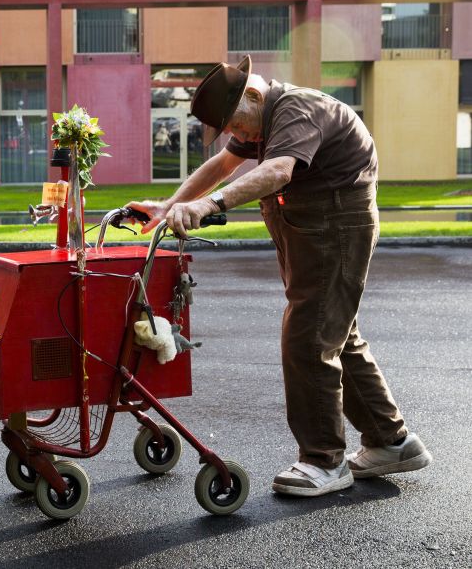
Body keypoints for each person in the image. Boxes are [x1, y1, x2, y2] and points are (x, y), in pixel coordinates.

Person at [128, 54, 431, 498]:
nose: (238, 136)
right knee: (336, 334)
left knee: (308, 338)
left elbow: (277, 170)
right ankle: (392, 442)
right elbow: (222, 166)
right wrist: (170, 205)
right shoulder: (261, 119)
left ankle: (324, 461)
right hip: (312, 228)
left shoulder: (294, 110)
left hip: (335, 228)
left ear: (252, 94)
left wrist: (209, 206)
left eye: (235, 125)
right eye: (231, 131)